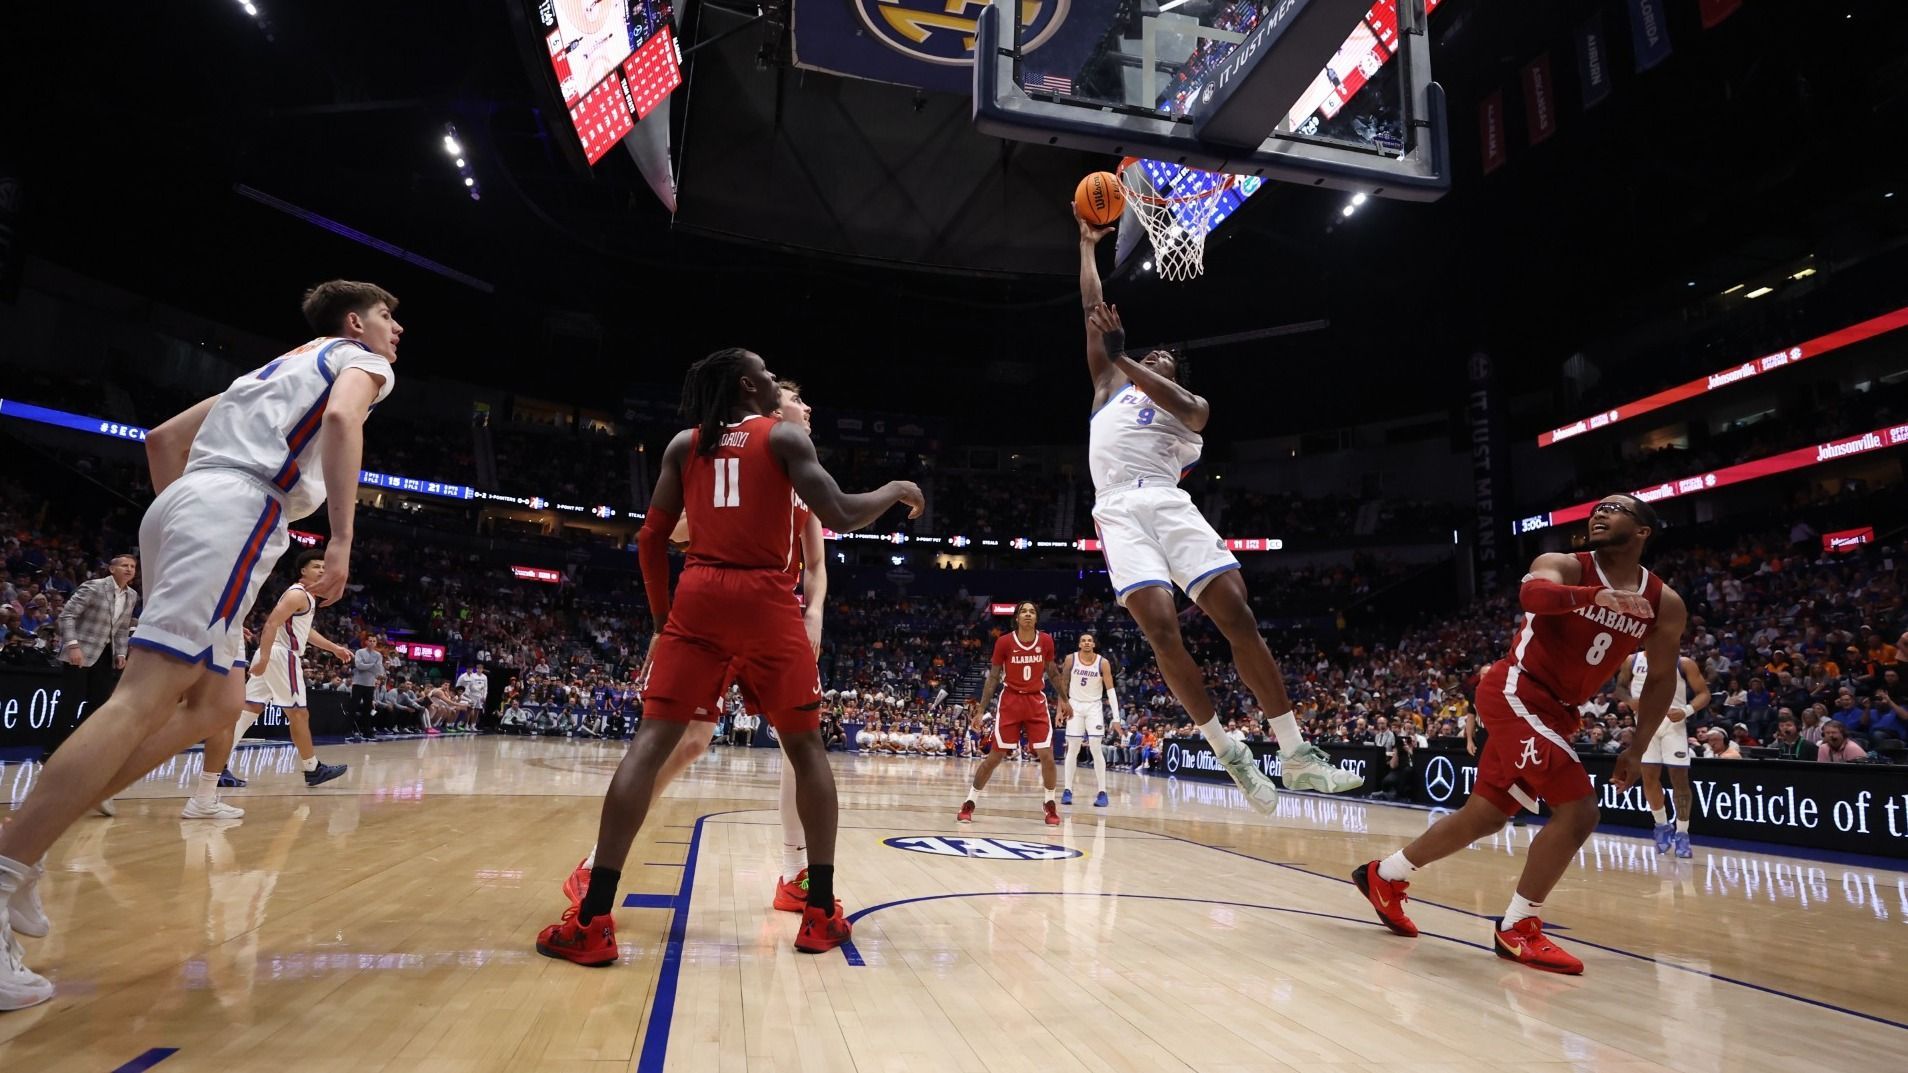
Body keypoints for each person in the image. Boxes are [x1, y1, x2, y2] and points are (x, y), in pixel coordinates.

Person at [0, 280, 399, 1011]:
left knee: (216, 703)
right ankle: (8, 862)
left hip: (182, 504)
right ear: (354, 322)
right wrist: (342, 537)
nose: (395, 329)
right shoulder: (361, 362)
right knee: (142, 699)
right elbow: (345, 419)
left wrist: (184, 522)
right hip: (237, 510)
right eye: (386, 316)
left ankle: (26, 848)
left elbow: (162, 441)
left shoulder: (268, 372)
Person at [535, 349, 922, 966]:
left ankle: (592, 918)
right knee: (805, 748)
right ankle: (819, 912)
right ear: (748, 385)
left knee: (651, 744)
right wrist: (896, 489)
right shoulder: (783, 438)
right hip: (767, 599)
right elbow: (844, 513)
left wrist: (662, 621)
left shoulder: (684, 444)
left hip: (700, 597)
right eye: (766, 373)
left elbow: (651, 538)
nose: (774, 380)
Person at [1077, 213, 1359, 811]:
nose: (1156, 355)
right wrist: (1085, 246)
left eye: (1164, 358)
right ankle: (1228, 751)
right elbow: (1092, 308)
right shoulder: (1108, 388)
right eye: (1149, 354)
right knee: (1160, 629)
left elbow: (1191, 409)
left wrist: (1130, 359)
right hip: (1118, 511)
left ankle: (1295, 752)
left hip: (1165, 499)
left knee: (1236, 612)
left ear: (1172, 374)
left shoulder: (1187, 405)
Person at [1353, 494, 1688, 975]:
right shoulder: (1565, 565)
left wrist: (1637, 747)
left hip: (1561, 712)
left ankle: (1384, 876)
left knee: (1486, 816)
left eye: (1615, 509)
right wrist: (1592, 597)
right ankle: (1519, 927)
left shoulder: (1663, 602)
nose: (1599, 513)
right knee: (1579, 811)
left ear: (1643, 531)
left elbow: (1659, 679)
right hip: (1517, 691)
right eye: (1597, 508)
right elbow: (1533, 597)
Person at [218, 550, 353, 805]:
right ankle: (312, 768)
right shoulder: (297, 594)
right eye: (316, 566)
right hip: (281, 656)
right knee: (299, 713)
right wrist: (265, 657)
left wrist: (333, 648)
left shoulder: (307, 597)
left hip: (275, 655)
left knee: (249, 709)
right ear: (303, 571)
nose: (322, 571)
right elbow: (271, 624)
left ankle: (217, 765)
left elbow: (305, 632)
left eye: (324, 567)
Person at [958, 602, 1073, 826]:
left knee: (1047, 756)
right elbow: (993, 677)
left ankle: (1050, 803)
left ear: (1036, 618)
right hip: (1010, 700)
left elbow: (1052, 671)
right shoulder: (1004, 642)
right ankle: (969, 802)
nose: (1028, 614)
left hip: (1036, 701)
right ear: (1017, 618)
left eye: (1032, 611)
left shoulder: (1045, 640)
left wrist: (1064, 700)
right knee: (995, 757)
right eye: (1024, 611)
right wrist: (980, 710)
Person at [47, 553, 140, 814]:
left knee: (99, 705)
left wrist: (121, 653)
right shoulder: (94, 587)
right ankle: (52, 752)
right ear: (112, 569)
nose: (129, 569)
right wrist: (72, 645)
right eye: (124, 565)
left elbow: (122, 628)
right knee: (70, 702)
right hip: (80, 652)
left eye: (133, 566)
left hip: (104, 655)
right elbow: (67, 616)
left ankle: (79, 750)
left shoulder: (131, 596)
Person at [1616, 647, 1708, 858]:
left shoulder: (1683, 663)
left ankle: (1682, 834)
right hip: (1645, 728)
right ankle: (1662, 825)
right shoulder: (1632, 660)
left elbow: (1704, 694)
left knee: (1680, 780)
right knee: (1649, 778)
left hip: (1672, 727)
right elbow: (1619, 688)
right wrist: (1629, 701)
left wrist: (1686, 710)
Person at [1059, 632, 1119, 808]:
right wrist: (1060, 709)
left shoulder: (1103, 663)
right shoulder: (1070, 659)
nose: (1086, 643)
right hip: (1074, 706)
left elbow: (1110, 690)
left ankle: (1102, 792)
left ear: (1093, 644)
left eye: (1089, 640)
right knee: (1073, 748)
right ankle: (1067, 790)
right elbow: (1063, 685)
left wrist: (1116, 717)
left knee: (1095, 748)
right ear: (1079, 644)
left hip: (1094, 707)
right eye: (1083, 640)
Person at [349, 633, 384, 740]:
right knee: (353, 708)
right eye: (370, 641)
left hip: (370, 685)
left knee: (367, 709)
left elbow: (379, 670)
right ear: (366, 642)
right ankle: (349, 731)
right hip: (358, 683)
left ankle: (367, 732)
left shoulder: (378, 655)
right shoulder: (359, 652)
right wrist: (373, 665)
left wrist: (366, 666)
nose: (372, 643)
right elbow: (359, 665)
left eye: (374, 641)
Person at [455, 662, 490, 733]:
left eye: (480, 668)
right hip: (470, 695)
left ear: (482, 669)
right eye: (478, 668)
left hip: (479, 696)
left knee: (477, 710)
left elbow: (483, 687)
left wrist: (484, 695)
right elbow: (466, 686)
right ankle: (464, 724)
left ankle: (473, 725)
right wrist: (478, 689)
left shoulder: (482, 677)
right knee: (470, 710)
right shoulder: (469, 676)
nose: (479, 670)